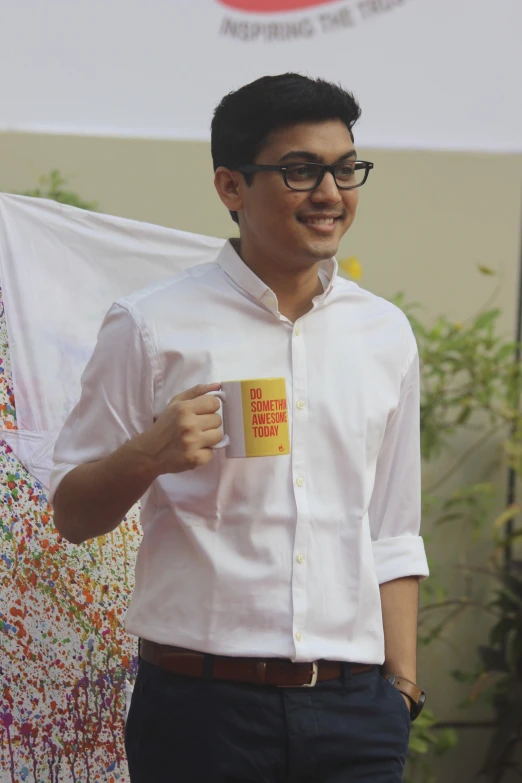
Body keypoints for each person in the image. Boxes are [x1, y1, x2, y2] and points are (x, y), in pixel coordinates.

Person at [50, 73, 429, 783]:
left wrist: (401, 689)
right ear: (231, 187)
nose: (330, 193)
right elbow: (73, 513)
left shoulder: (384, 333)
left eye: (346, 169)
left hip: (357, 715)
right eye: (300, 170)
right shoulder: (153, 325)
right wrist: (147, 455)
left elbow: (392, 527)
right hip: (202, 710)